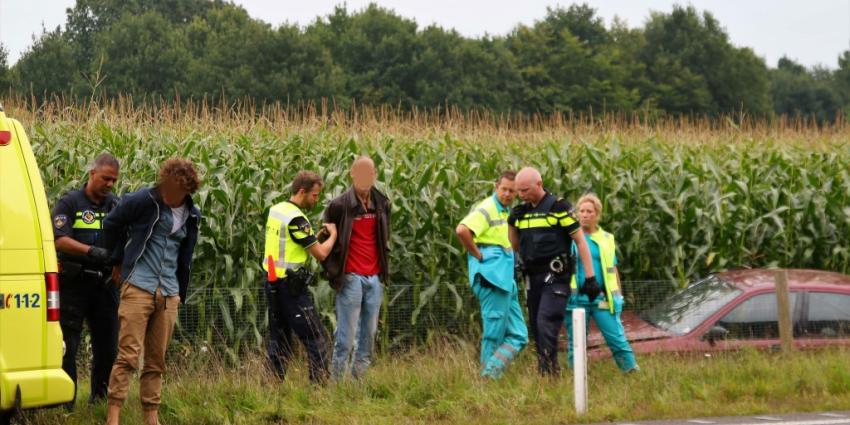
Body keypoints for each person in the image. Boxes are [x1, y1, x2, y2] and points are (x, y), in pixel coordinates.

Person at [103, 158, 202, 425]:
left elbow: (186, 256)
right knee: (128, 355)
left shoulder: (192, 214)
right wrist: (117, 260)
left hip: (169, 292)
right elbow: (111, 224)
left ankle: (151, 416)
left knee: (156, 360)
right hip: (139, 285)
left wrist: (180, 291)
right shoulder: (143, 200)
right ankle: (113, 416)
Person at [508, 167, 596, 377]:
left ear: (539, 184)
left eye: (525, 190)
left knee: (545, 321)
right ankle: (547, 372)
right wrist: (512, 223)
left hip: (556, 277)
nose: (521, 195)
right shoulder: (522, 212)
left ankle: (549, 374)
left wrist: (590, 278)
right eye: (518, 191)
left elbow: (581, 242)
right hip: (532, 277)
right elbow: (515, 245)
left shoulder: (559, 207)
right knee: (536, 328)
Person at [51, 153, 120, 406]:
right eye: (106, 178)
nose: (110, 184)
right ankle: (66, 403)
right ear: (92, 174)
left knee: (108, 348)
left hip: (105, 286)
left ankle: (99, 401)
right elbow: (59, 239)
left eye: (114, 180)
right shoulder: (70, 203)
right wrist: (90, 251)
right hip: (74, 284)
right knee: (68, 346)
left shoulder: (115, 204)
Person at [262, 171, 337, 383]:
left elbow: (289, 244)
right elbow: (321, 254)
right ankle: (319, 387)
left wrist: (314, 237)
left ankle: (271, 387)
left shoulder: (276, 210)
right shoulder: (297, 219)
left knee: (280, 339)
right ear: (302, 192)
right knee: (315, 337)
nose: (317, 200)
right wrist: (333, 236)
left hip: (272, 282)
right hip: (291, 288)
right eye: (314, 195)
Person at [322, 156, 391, 380]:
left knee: (368, 336)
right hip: (350, 276)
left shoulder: (382, 203)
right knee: (345, 337)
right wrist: (333, 270)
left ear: (374, 175)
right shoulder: (339, 205)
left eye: (368, 173)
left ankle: (356, 385)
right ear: (352, 174)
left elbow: (384, 237)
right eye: (359, 173)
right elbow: (325, 237)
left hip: (374, 278)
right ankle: (337, 386)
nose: (363, 178)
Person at [455, 170, 528, 379]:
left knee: (519, 335)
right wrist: (477, 254)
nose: (507, 194)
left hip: (505, 280)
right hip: (492, 279)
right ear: (496, 187)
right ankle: (486, 379)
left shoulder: (506, 212)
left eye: (511, 191)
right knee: (494, 333)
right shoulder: (488, 207)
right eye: (504, 189)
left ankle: (491, 372)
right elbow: (461, 230)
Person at [565, 194, 638, 373]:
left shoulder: (606, 238)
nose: (584, 215)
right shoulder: (569, 238)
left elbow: (612, 269)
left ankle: (630, 370)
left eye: (589, 211)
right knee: (576, 343)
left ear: (597, 214)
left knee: (616, 338)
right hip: (575, 299)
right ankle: (576, 377)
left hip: (601, 298)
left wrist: (618, 296)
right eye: (581, 211)